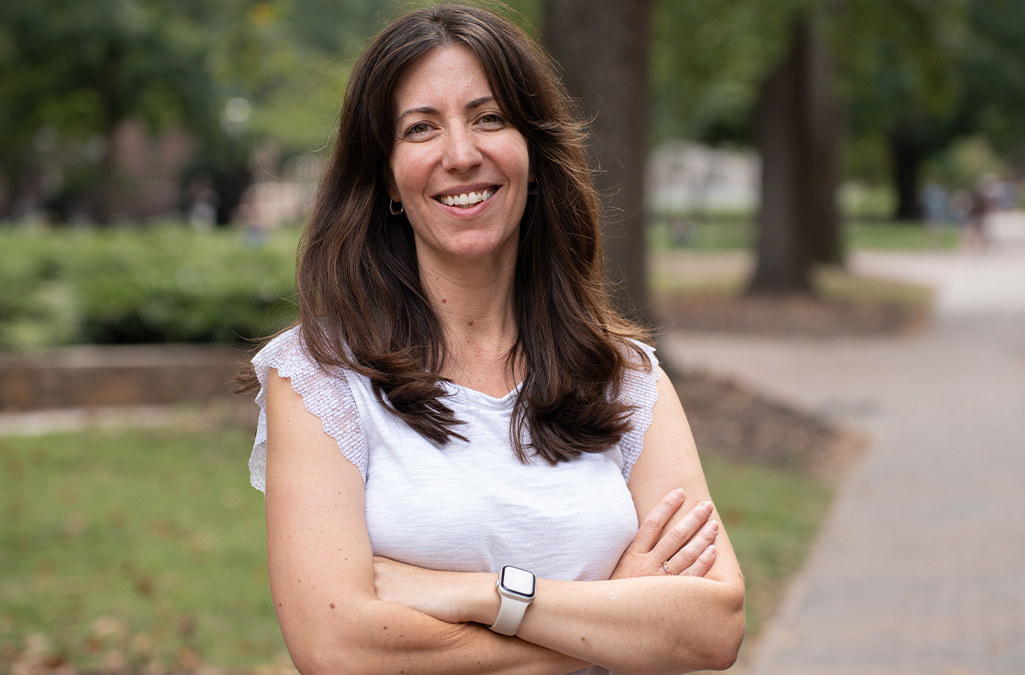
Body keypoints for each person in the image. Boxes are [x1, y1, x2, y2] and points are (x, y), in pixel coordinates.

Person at [237, 4, 744, 674]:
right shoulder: (319, 377)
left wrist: (479, 594)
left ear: (532, 152)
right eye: (421, 128)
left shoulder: (624, 377)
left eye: (489, 118)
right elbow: (338, 647)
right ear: (386, 175)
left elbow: (713, 625)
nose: (461, 154)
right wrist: (608, 613)